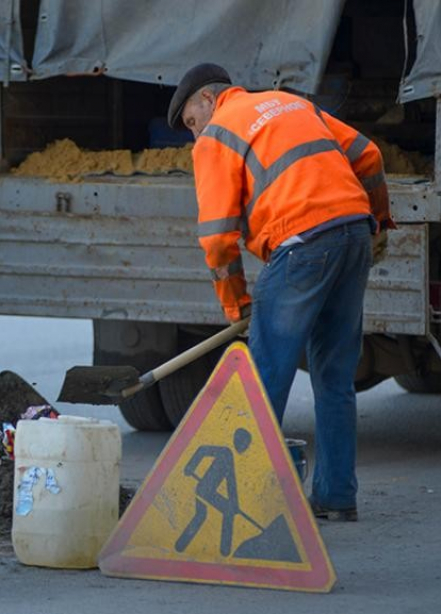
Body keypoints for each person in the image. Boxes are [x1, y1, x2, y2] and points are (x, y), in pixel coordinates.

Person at [167, 63, 395, 522]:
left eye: (192, 121)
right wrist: (379, 221)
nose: (195, 136)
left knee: (264, 378)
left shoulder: (218, 134)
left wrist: (237, 305)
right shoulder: (291, 102)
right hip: (353, 236)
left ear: (210, 100)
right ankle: (335, 498)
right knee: (334, 377)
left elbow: (216, 237)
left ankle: (251, 502)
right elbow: (368, 155)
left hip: (302, 246)